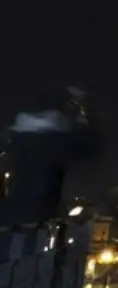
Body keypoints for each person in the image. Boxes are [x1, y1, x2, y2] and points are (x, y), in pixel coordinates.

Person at [2, 87, 100, 224]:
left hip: (14, 211)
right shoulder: (56, 138)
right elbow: (89, 145)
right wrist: (84, 108)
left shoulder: (18, 134)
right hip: (39, 211)